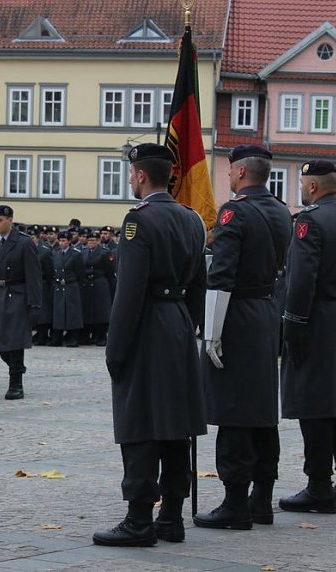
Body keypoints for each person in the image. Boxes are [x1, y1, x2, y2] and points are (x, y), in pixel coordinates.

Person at [93, 143, 207, 547]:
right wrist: (187, 326)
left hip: (147, 326)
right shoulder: (192, 219)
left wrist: (116, 349)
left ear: (140, 175)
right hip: (179, 324)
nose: (130, 180)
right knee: (176, 425)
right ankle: (171, 517)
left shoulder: (137, 221)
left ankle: (139, 519)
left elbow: (129, 292)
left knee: (141, 423)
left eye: (131, 174)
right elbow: (199, 284)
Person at [193, 145, 293, 530]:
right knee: (262, 410)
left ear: (239, 172)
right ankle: (261, 499)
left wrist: (211, 333)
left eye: (229, 170)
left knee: (233, 409)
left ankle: (236, 502)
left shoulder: (235, 212)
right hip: (266, 312)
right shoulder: (280, 210)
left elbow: (221, 276)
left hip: (236, 315)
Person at [279, 160, 336, 514]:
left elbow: (301, 278)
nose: (301, 189)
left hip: (316, 316)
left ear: (313, 186)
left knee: (314, 401)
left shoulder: (310, 221)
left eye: (303, 183)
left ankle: (318, 484)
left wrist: (293, 323)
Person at [0, 205, 42, 400]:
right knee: (1, 344)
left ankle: (16, 384)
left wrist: (34, 304)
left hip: (17, 295)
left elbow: (34, 276)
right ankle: (17, 368)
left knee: (15, 342)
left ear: (10, 220)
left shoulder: (24, 243)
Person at [49, 231, 85, 347]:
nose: (61, 243)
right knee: (58, 313)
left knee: (72, 313)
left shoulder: (76, 254)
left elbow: (80, 273)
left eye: (64, 241)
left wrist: (75, 283)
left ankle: (73, 338)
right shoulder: (56, 253)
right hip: (59, 286)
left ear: (69, 241)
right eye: (60, 240)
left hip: (71, 285)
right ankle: (57, 338)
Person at [80, 231, 115, 346]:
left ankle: (101, 336)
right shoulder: (84, 252)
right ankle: (86, 336)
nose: (91, 242)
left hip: (99, 284)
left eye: (94, 240)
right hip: (87, 284)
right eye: (89, 240)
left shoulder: (105, 252)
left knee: (101, 312)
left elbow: (109, 271)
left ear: (98, 241)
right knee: (87, 311)